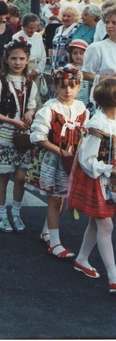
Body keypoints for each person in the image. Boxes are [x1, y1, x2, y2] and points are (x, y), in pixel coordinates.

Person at [28, 66, 88, 258]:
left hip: (71, 161)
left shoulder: (81, 108)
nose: (67, 91)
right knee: (55, 199)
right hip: (54, 159)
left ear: (79, 87)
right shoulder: (50, 108)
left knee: (61, 198)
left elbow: (85, 133)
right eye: (62, 86)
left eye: (72, 86)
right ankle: (55, 243)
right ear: (55, 87)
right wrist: (60, 152)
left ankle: (47, 231)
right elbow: (37, 137)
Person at [0, 38, 38, 232]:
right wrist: (12, 120)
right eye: (14, 58)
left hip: (22, 134)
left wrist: (29, 114)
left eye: (22, 58)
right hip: (5, 132)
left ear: (27, 59)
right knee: (4, 175)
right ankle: (2, 213)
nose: (18, 62)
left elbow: (31, 106)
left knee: (21, 176)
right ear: (6, 59)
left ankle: (17, 212)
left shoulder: (29, 83)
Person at [70, 78, 116, 293]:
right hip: (97, 179)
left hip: (108, 180)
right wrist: (109, 170)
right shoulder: (97, 124)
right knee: (106, 226)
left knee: (96, 223)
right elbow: (87, 159)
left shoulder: (112, 120)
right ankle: (114, 277)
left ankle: (82, 258)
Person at [13, 14, 47, 109]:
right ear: (23, 26)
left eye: (35, 28)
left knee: (36, 98)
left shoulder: (38, 37)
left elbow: (43, 57)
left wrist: (37, 71)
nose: (32, 31)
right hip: (22, 69)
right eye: (29, 28)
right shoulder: (16, 37)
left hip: (36, 70)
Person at [50, 5, 80, 72]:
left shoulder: (77, 29)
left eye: (69, 16)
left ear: (74, 18)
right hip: (55, 65)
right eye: (64, 16)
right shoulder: (58, 29)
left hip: (67, 66)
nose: (65, 18)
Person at [67, 39, 91, 106]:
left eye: (81, 53)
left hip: (85, 101)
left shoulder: (88, 68)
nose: (78, 56)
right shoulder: (69, 68)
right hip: (72, 101)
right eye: (75, 53)